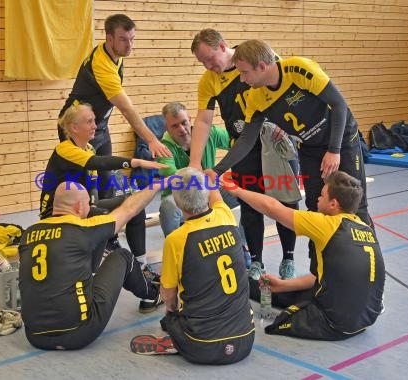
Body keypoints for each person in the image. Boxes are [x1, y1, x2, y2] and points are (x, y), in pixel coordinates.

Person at [221, 39, 372, 232]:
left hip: (341, 138)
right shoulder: (255, 97)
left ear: (261, 66)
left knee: (355, 205)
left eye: (244, 72)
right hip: (310, 147)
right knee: (315, 206)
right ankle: (319, 258)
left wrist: (334, 150)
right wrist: (218, 170)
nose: (241, 79)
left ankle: (368, 256)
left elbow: (339, 105)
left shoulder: (299, 69)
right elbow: (245, 141)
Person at [222, 170, 385, 341]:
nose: (318, 198)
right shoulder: (365, 227)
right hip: (365, 320)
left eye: (322, 196)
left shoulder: (328, 225)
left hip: (336, 324)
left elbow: (272, 207)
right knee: (276, 291)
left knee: (279, 322)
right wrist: (284, 285)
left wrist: (237, 191)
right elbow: (324, 278)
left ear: (333, 204)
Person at [190, 29, 298, 279]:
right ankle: (257, 261)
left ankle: (289, 257)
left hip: (275, 145)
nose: (207, 66)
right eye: (202, 62)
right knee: (250, 204)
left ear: (223, 46)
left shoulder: (257, 57)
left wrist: (287, 130)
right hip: (242, 148)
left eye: (209, 58)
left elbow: (288, 95)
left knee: (286, 201)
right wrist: (195, 162)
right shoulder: (209, 80)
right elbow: (204, 121)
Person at [40, 103, 167, 313]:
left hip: (83, 208)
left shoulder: (88, 147)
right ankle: (133, 273)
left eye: (94, 120)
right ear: (73, 127)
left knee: (133, 203)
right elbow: (99, 163)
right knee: (110, 229)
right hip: (58, 216)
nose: (95, 125)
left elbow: (93, 192)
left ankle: (141, 264)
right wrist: (136, 162)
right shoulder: (65, 149)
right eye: (89, 121)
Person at [19, 180, 166, 350]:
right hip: (79, 333)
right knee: (122, 256)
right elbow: (129, 209)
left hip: (35, 336)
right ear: (79, 207)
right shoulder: (83, 228)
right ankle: (153, 294)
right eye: (88, 204)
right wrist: (156, 185)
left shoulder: (28, 233)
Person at [130, 168, 255, 363]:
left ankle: (179, 339)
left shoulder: (176, 239)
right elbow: (215, 197)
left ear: (177, 204)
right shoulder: (226, 217)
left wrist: (172, 313)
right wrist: (208, 177)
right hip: (245, 340)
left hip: (201, 345)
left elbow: (168, 295)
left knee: (169, 317)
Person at [57, 13, 171, 200]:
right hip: (76, 128)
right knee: (83, 187)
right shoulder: (103, 66)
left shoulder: (115, 54)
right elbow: (126, 109)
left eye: (132, 39)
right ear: (109, 39)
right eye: (124, 40)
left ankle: (108, 225)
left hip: (98, 126)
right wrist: (151, 139)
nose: (129, 45)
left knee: (106, 179)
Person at [155, 102, 248, 257]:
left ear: (190, 119)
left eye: (184, 123)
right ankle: (177, 252)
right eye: (175, 126)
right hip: (181, 196)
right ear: (167, 127)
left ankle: (242, 244)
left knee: (248, 195)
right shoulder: (163, 148)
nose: (182, 129)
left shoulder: (209, 133)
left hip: (209, 190)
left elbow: (236, 143)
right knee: (167, 206)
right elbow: (173, 176)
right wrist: (200, 175)